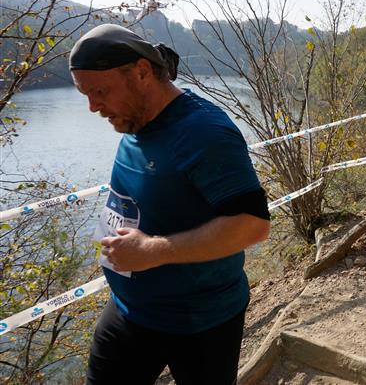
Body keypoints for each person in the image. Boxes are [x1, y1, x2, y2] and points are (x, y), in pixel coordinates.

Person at [69, 24, 271, 385]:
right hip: (129, 309)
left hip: (201, 321)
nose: (93, 107)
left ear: (142, 72)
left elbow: (252, 224)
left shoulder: (203, 132)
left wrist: (152, 251)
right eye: (85, 94)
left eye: (100, 91)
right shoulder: (136, 121)